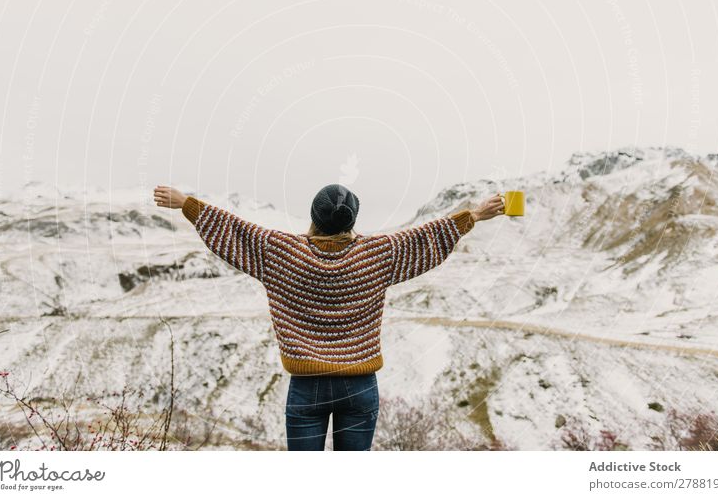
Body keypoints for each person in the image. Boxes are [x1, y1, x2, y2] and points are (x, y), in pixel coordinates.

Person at [154, 183, 506, 450]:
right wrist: (474, 214)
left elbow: (234, 230)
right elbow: (426, 237)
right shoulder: (378, 254)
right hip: (360, 384)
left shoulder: (279, 252)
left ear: (314, 216)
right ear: (352, 219)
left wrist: (186, 203)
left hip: (308, 388)